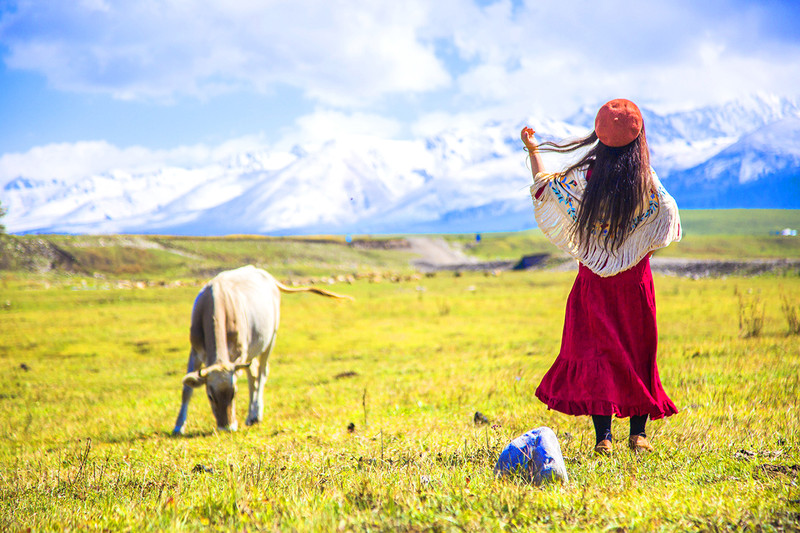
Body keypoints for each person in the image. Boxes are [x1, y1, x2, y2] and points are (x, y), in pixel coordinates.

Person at [520, 99, 682, 455]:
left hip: (593, 283)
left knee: (597, 357)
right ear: (638, 137)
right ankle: (638, 435)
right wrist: (637, 247)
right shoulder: (644, 180)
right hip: (636, 285)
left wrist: (533, 152)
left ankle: (603, 439)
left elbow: (546, 189)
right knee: (638, 353)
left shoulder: (585, 177)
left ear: (599, 134)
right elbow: (666, 213)